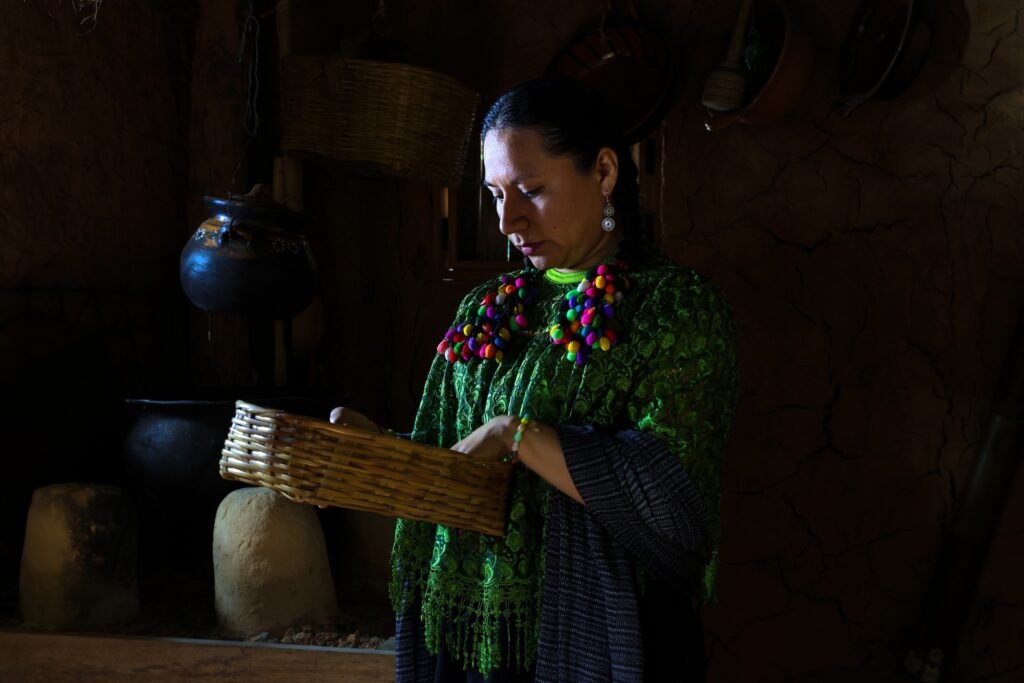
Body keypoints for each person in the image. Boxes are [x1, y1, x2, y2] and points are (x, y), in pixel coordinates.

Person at [332, 76, 738, 682]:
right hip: (469, 633)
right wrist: (376, 454)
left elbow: (671, 500)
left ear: (604, 172)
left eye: (531, 190)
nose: (508, 220)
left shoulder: (674, 310)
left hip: (595, 638)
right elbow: (451, 462)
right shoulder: (486, 309)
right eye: (495, 194)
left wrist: (516, 434)